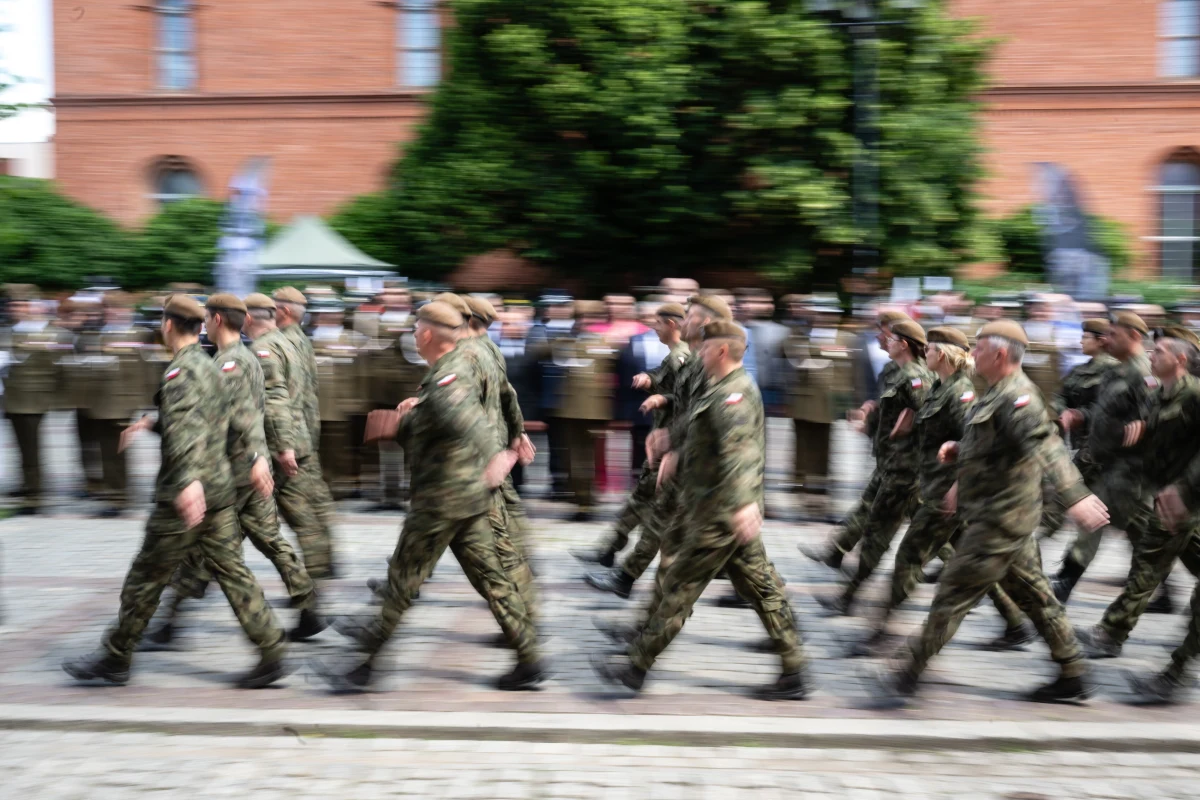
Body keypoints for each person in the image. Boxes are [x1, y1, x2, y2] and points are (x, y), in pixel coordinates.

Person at [868, 320, 1109, 708]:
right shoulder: (994, 392)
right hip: (1001, 518)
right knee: (1037, 599)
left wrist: (1076, 497)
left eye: (978, 348)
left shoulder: (1020, 398)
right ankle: (1074, 673)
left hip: (1000, 520)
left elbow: (1044, 445)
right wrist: (958, 451)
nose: (972, 354)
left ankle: (905, 672)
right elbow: (993, 445)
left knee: (951, 594)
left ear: (999, 354)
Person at [313, 301, 545, 692]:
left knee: (404, 578)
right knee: (491, 577)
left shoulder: (450, 374)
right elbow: (500, 398)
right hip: (467, 495)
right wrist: (408, 419)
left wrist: (499, 456)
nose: (412, 335)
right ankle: (530, 657)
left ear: (425, 335)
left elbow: (466, 420)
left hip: (443, 496)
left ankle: (364, 665)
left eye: (415, 328)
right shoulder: (462, 363)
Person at [62, 294, 289, 688]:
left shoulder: (181, 373)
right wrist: (250, 457)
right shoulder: (210, 366)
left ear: (167, 325)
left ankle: (116, 657)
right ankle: (272, 649)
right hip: (219, 488)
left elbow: (187, 433)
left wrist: (186, 483)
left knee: (145, 577)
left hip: (186, 494)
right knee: (233, 572)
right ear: (200, 326)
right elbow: (229, 420)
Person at [592, 320, 808, 700]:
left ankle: (634, 667)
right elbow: (700, 431)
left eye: (705, 348)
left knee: (679, 588)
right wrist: (671, 441)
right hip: (707, 506)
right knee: (761, 589)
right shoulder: (720, 387)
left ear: (721, 351)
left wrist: (744, 506)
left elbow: (740, 454)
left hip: (721, 513)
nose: (699, 353)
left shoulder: (736, 395)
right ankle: (795, 670)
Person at [142, 294, 325, 647]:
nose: (204, 324)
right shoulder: (245, 355)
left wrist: (156, 423)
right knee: (262, 542)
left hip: (233, 470)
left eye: (208, 317)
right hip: (251, 466)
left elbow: (220, 416)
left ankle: (169, 621)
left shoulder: (231, 363)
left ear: (216, 320)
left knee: (202, 549)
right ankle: (308, 606)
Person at [846, 327, 1031, 655]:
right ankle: (1015, 622)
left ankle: (880, 630)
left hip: (946, 496)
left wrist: (958, 488)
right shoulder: (938, 387)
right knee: (974, 564)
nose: (925, 353)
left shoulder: (961, 395)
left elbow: (972, 447)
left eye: (930, 349)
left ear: (942, 355)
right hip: (933, 490)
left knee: (909, 557)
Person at [582, 295, 732, 602]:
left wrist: (672, 439)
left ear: (702, 323)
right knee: (664, 517)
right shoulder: (694, 358)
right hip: (681, 449)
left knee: (683, 526)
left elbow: (700, 411)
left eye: (688, 317)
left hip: (697, 458)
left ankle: (635, 590)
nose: (681, 323)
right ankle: (627, 577)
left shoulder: (703, 361)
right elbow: (684, 400)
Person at [1075, 326, 1200, 659]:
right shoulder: (1158, 395)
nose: (1151, 355)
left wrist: (1182, 488)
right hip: (1164, 496)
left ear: (1181, 359)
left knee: (1148, 565)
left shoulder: (1194, 395)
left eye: (1159, 352)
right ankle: (1110, 634)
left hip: (1186, 499)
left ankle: (1110, 634)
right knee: (1165, 562)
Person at [812, 319, 933, 615]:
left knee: (880, 537)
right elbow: (893, 407)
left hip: (906, 472)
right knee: (896, 536)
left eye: (891, 339)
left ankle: (852, 599)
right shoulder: (900, 373)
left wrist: (910, 422)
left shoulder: (916, 377)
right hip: (892, 466)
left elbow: (930, 417)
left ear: (903, 344)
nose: (886, 342)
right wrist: (871, 411)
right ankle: (849, 595)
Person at [574, 303, 688, 579]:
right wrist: (647, 379)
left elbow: (688, 400)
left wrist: (662, 399)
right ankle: (611, 552)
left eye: (658, 324)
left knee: (664, 512)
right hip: (664, 436)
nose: (654, 328)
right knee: (641, 498)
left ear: (671, 325)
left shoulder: (682, 356)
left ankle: (626, 573)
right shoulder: (673, 356)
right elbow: (661, 377)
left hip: (674, 440)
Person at [800, 309, 912, 571]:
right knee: (870, 505)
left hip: (908, 460)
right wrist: (869, 412)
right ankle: (837, 552)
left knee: (927, 523)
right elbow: (887, 405)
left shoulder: (915, 372)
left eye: (884, 333)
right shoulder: (889, 369)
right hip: (889, 454)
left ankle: (967, 570)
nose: (878, 337)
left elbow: (915, 413)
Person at [1054, 311, 1153, 604]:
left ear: (1133, 336)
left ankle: (1065, 583)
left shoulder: (1144, 372)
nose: (1108, 339)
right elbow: (1101, 412)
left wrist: (1147, 424)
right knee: (1145, 535)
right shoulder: (1114, 371)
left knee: (1095, 522)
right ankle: (1162, 589)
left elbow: (1160, 412)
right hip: (1106, 463)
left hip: (1131, 469)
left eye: (1114, 334)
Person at [273, 287, 339, 579]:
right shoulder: (302, 341)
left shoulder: (282, 343)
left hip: (288, 439)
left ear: (284, 311)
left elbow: (283, 397)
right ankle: (325, 560)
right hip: (306, 434)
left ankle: (316, 567)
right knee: (316, 498)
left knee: (296, 506)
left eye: (273, 307)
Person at [1, 296, 73, 515]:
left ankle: (34, 495)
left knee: (31, 448)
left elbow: (62, 368)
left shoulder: (54, 333)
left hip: (35, 399)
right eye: (14, 305)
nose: (17, 309)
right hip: (12, 397)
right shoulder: (9, 331)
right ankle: (27, 485)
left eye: (23, 305)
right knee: (22, 447)